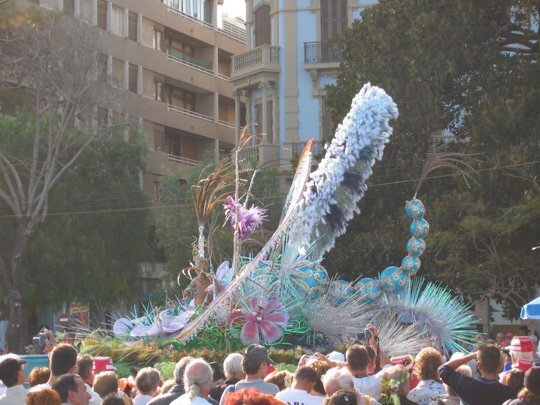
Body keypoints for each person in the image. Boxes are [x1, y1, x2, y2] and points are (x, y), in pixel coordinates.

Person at [438, 344, 517, 405]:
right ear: (500, 366)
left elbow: (443, 369)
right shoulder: (509, 392)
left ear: (478, 365)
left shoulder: (468, 385)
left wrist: (472, 356)